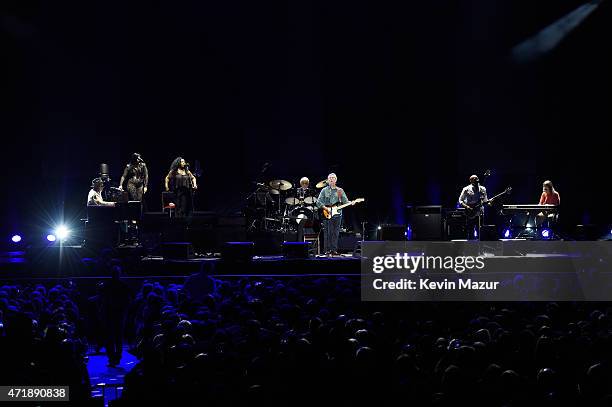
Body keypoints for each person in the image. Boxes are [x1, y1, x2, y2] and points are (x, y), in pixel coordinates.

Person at [316, 173, 350, 255]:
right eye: (330, 178)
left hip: (338, 214)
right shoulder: (324, 190)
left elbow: (345, 201)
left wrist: (350, 202)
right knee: (328, 233)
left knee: (336, 233)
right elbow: (318, 202)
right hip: (327, 213)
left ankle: (334, 250)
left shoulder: (340, 190)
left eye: (333, 178)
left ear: (336, 180)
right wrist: (325, 208)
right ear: (328, 180)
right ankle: (327, 250)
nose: (331, 179)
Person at [458, 175, 488, 239]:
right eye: (474, 179)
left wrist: (489, 202)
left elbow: (485, 200)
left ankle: (480, 246)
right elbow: (460, 200)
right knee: (470, 230)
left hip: (480, 212)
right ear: (471, 181)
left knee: (480, 230)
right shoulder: (466, 189)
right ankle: (470, 246)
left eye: (477, 178)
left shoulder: (483, 189)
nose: (476, 180)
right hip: (470, 212)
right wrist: (467, 207)